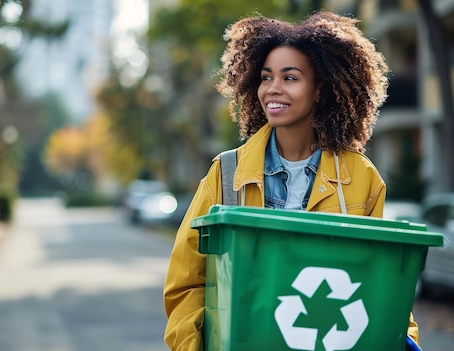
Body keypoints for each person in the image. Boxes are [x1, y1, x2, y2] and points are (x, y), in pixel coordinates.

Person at [163, 11, 421, 350]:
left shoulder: (361, 177)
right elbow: (186, 285)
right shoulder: (227, 174)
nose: (273, 89)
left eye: (290, 78)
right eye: (266, 77)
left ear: (319, 90)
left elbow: (379, 284)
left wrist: (407, 341)